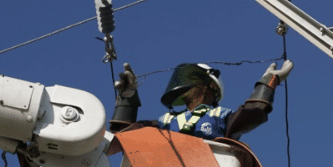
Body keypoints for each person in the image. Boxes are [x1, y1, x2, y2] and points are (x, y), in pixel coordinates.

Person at [109, 60, 293, 141]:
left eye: (193, 80)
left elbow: (253, 113)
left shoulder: (222, 117)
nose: (185, 84)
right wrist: (127, 99)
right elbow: (125, 136)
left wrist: (268, 82)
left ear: (210, 87)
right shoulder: (165, 122)